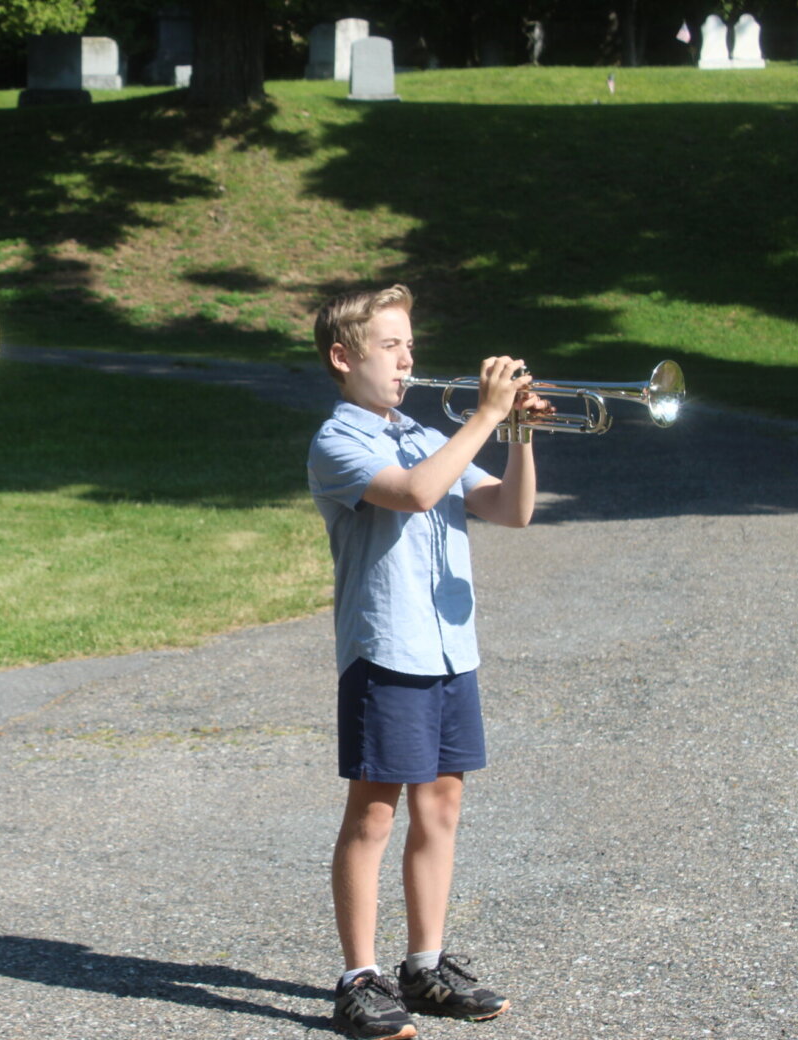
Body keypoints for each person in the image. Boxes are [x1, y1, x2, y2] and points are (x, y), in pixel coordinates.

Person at [307, 284, 548, 1039]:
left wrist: (517, 435)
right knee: (374, 814)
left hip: (450, 650)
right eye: (390, 346)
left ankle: (425, 965)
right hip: (387, 652)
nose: (408, 360)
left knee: (441, 805)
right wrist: (482, 415)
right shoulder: (338, 441)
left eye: (410, 345)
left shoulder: (421, 433)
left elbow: (512, 510)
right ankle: (358, 978)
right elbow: (414, 495)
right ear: (343, 358)